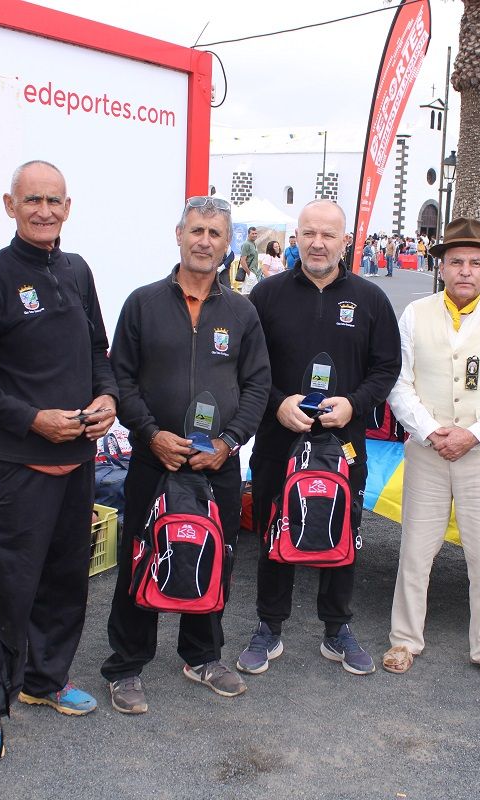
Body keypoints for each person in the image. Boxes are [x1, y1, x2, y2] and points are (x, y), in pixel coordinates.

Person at [0, 160, 118, 761]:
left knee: (67, 582)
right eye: (32, 200)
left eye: (54, 200)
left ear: (68, 207)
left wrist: (108, 396)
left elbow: (100, 350)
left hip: (78, 463)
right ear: (10, 205)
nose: (44, 210)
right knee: (7, 591)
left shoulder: (77, 270)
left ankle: (45, 681)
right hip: (22, 466)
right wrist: (29, 418)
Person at [101, 196, 270, 714]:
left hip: (216, 465)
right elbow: (119, 378)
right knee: (140, 556)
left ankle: (203, 656)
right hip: (155, 459)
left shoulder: (241, 311)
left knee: (215, 556)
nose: (204, 241)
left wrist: (229, 442)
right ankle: (127, 665)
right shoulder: (143, 303)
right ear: (178, 234)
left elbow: (259, 384)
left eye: (215, 234)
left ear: (227, 245)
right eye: (196, 230)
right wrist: (150, 433)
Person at [236, 199, 401, 677]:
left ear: (345, 241)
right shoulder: (265, 295)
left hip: (344, 440)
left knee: (342, 527)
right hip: (278, 437)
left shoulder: (370, 299)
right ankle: (269, 626)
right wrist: (277, 402)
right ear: (297, 238)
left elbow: (386, 367)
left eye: (328, 234)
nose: (318, 242)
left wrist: (355, 403)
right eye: (309, 233)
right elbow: (248, 367)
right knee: (272, 526)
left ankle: (337, 628)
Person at [383, 219, 480, 684]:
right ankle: (404, 639)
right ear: (441, 266)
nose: (465, 270)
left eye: (475, 263)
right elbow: (399, 384)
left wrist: (472, 434)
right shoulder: (415, 313)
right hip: (427, 451)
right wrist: (431, 431)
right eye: (456, 262)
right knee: (415, 551)